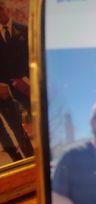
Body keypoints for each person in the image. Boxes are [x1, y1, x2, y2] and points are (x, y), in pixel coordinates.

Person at [0, 1, 33, 162]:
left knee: (24, 126)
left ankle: (33, 157)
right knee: (7, 130)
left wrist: (24, 82)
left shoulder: (24, 30)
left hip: (25, 86)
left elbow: (32, 58)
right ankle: (20, 161)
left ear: (5, 9)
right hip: (5, 90)